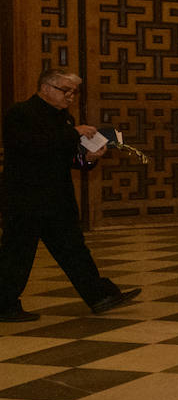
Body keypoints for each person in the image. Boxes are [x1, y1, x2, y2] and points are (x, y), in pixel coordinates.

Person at [0, 70, 140, 322]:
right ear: (45, 87)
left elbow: (69, 158)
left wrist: (88, 159)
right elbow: (31, 146)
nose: (70, 97)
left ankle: (99, 295)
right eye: (65, 90)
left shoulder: (65, 119)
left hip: (57, 197)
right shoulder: (20, 113)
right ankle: (4, 304)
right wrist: (73, 133)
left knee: (74, 250)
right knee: (17, 253)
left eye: (74, 92)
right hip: (26, 198)